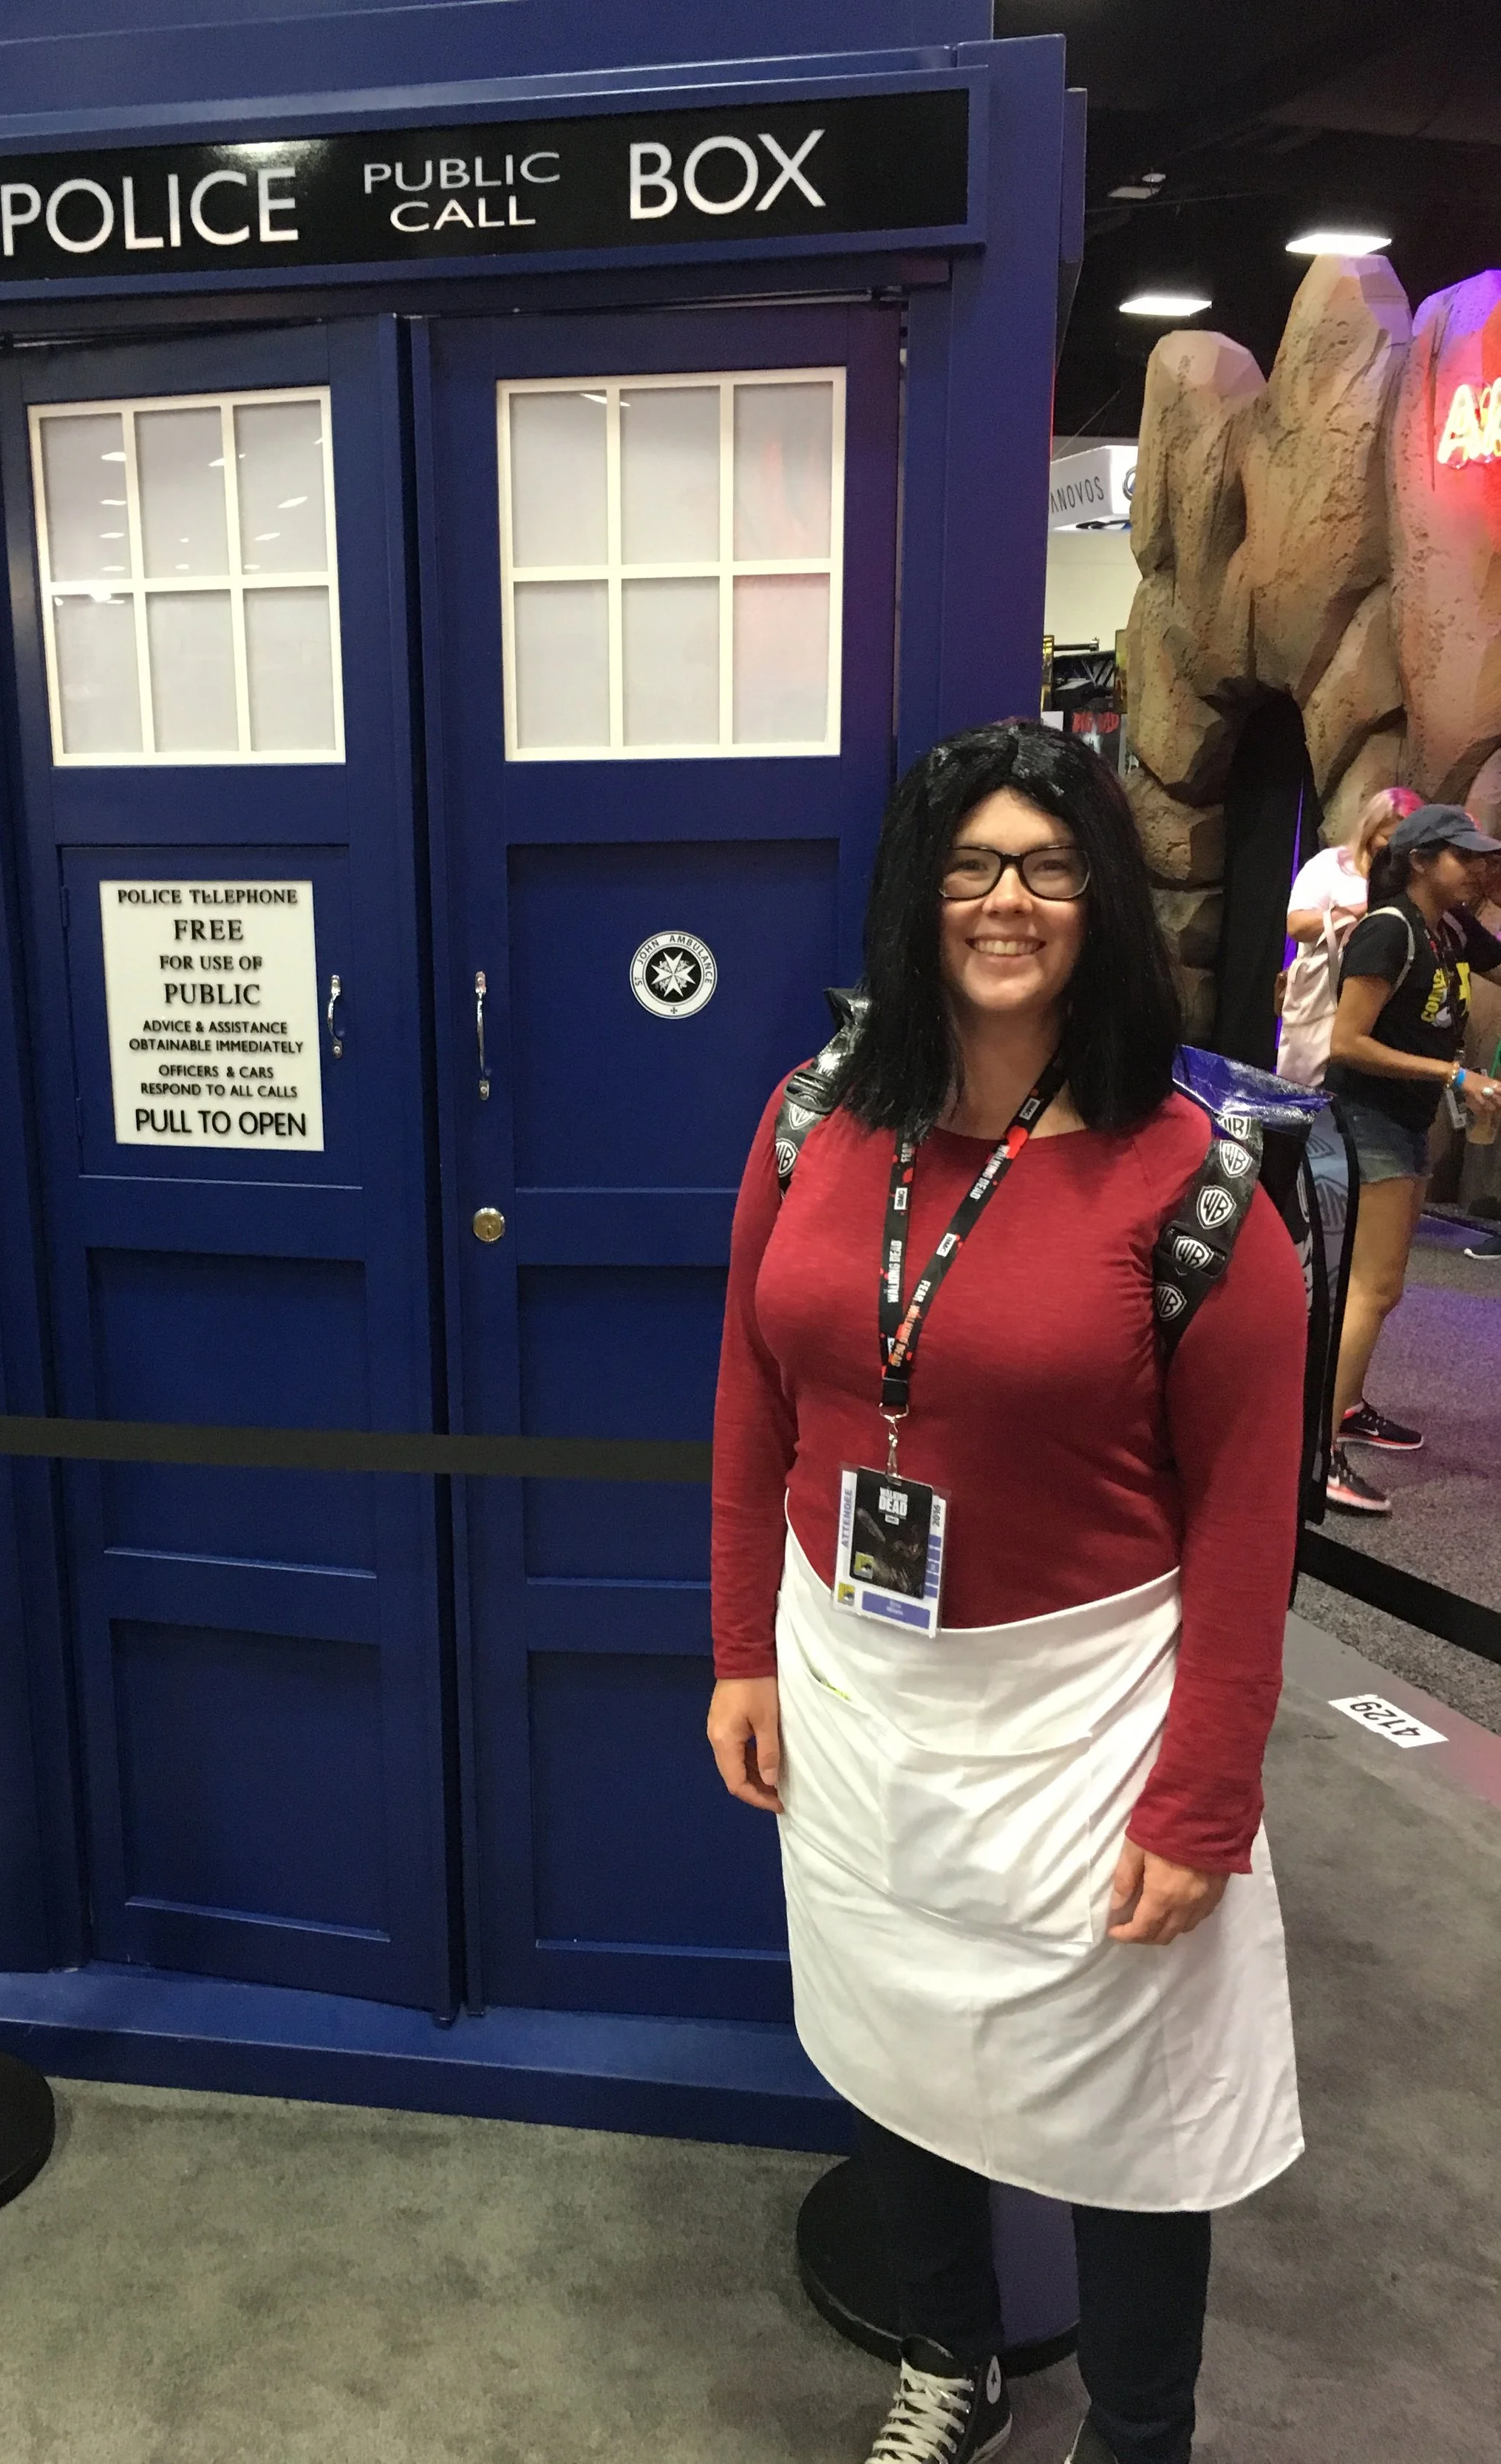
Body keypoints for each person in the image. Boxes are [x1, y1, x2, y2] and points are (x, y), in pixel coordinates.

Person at [707, 722, 1307, 2464]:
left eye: (1048, 868)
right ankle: (947, 2359)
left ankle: (1137, 2433)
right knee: (900, 2044)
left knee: (1128, 2108)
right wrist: (744, 1644)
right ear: (919, 897)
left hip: (1090, 1715)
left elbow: (1250, 1525)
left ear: (1098, 905)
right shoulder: (816, 1118)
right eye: (970, 865)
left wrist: (1204, 1795)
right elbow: (758, 1399)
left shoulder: (1188, 1184)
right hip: (853, 1679)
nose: (1007, 901)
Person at [1323, 804, 1501, 1512]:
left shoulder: (1451, 927)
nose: (1479, 868)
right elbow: (1346, 1042)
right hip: (1366, 1119)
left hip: (1403, 1122)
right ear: (1423, 859)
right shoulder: (1389, 929)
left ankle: (1348, 1406)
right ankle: (1317, 1452)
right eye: (1466, 857)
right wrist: (1452, 1076)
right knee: (1374, 1286)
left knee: (1380, 1286)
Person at [1275, 785, 1418, 1085]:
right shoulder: (1332, 866)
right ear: (1370, 830)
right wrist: (1359, 910)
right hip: (1325, 1001)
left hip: (1382, 1011)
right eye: (1389, 838)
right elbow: (1297, 926)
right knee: (1313, 1097)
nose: (1396, 850)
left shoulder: (1410, 881)